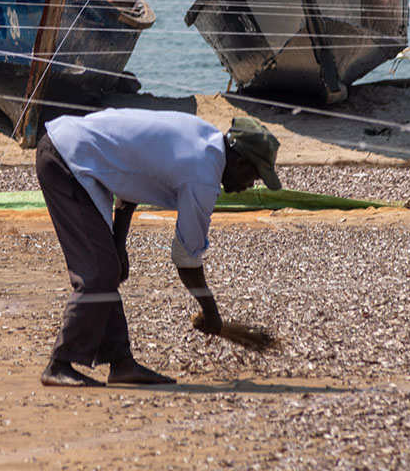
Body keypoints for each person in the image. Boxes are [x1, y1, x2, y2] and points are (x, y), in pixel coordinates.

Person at [34, 108, 282, 387]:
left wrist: (119, 242)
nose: (250, 185)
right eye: (254, 177)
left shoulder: (204, 136)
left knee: (108, 268)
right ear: (240, 164)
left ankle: (121, 363)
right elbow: (186, 258)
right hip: (66, 158)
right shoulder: (202, 177)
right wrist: (211, 312)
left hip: (74, 150)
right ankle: (59, 364)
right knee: (99, 272)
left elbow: (136, 179)